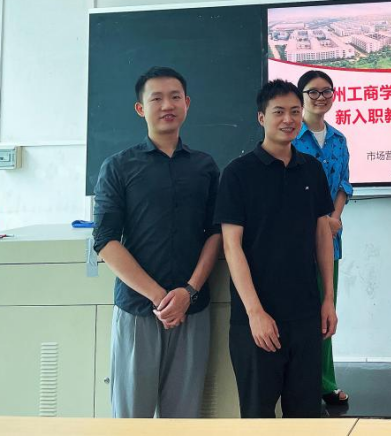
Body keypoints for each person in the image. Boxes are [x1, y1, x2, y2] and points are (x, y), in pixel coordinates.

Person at [92, 66, 221, 418]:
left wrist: (188, 292)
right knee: (131, 418)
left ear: (187, 103)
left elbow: (215, 233)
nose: (167, 105)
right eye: (157, 98)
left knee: (183, 417)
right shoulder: (118, 167)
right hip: (139, 309)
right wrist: (160, 297)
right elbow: (105, 240)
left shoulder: (205, 167)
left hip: (192, 309)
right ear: (140, 108)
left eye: (175, 97)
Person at [215, 79, 337, 418]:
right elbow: (232, 247)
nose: (288, 119)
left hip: (306, 316)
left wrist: (327, 298)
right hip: (257, 320)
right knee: (258, 417)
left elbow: (322, 235)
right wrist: (255, 313)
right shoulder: (238, 174)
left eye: (295, 112)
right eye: (279, 112)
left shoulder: (311, 169)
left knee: (306, 415)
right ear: (261, 118)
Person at [292, 69, 353, 407]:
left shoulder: (339, 140)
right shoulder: (290, 136)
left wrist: (333, 219)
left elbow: (344, 184)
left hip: (330, 238)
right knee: (300, 314)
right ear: (301, 96)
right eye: (313, 92)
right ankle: (302, 384)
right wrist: (318, 221)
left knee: (325, 313)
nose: (320, 97)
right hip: (296, 239)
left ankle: (325, 383)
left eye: (326, 91)